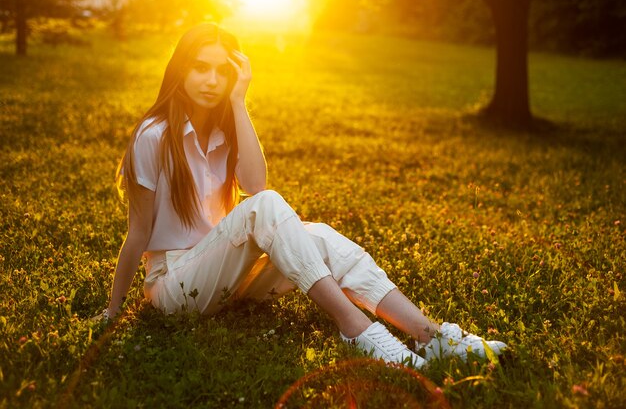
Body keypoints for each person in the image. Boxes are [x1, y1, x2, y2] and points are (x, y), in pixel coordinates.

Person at [104, 23, 506, 368]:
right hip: (174, 287)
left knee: (320, 236)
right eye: (200, 68)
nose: (211, 81)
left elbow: (254, 183)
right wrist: (113, 311)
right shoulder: (153, 136)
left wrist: (240, 101)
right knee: (266, 207)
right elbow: (137, 233)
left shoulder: (226, 128)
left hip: (227, 278)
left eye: (221, 72)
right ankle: (355, 326)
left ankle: (430, 336)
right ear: (180, 69)